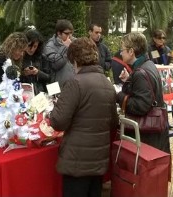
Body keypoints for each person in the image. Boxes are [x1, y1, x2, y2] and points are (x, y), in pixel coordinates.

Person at [49, 37, 118, 197]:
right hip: (98, 160)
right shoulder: (107, 84)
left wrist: (54, 111)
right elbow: (113, 122)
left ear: (73, 59)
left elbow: (58, 121)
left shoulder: (75, 83)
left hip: (77, 160)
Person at [116, 32, 170, 153]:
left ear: (131, 51)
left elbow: (141, 106)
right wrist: (128, 81)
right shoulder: (148, 64)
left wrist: (119, 95)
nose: (121, 53)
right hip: (155, 136)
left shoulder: (141, 72)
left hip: (148, 137)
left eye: (122, 50)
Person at [43, 19, 75, 88]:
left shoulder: (74, 42)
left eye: (71, 33)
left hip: (72, 85)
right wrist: (65, 47)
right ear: (59, 33)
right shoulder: (50, 46)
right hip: (57, 87)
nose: (70, 36)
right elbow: (55, 64)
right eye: (66, 33)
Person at [19, 29, 50, 95]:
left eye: (35, 46)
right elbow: (12, 79)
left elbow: (49, 77)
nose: (32, 49)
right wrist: (23, 74)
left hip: (41, 95)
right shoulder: (19, 57)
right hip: (23, 94)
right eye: (29, 46)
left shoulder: (42, 57)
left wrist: (38, 72)